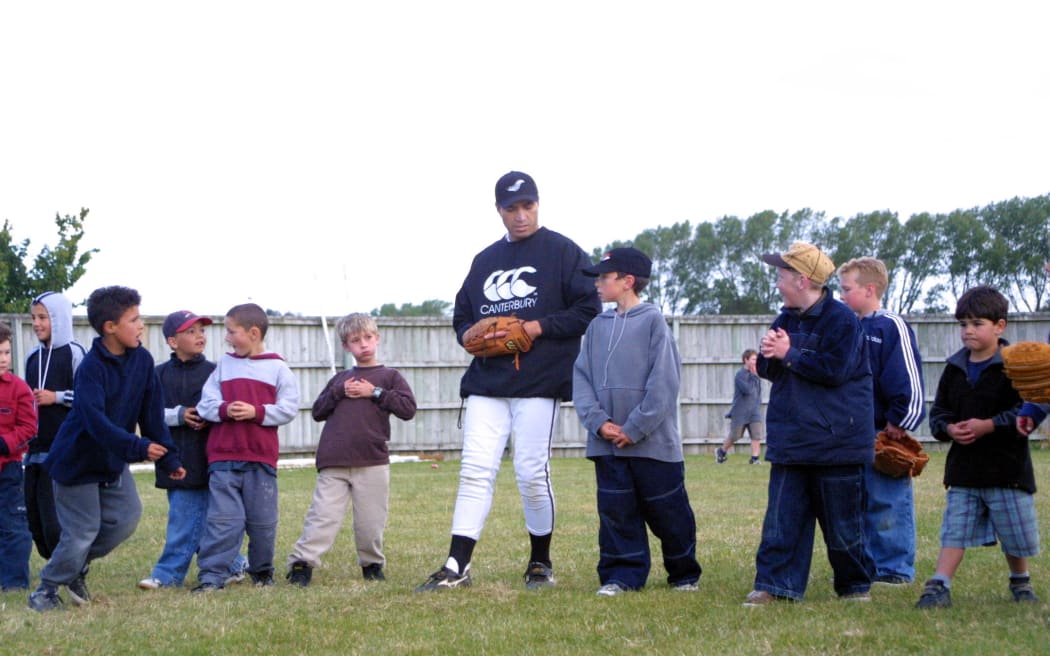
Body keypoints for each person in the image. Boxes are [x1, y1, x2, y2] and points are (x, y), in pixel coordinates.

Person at [415, 171, 601, 592]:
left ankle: (540, 561)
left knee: (531, 472)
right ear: (498, 210)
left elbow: (588, 308)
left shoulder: (563, 252)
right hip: (488, 382)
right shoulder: (484, 260)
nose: (521, 215)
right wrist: (465, 334)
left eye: (528, 206)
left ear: (538, 204)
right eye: (511, 208)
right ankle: (456, 565)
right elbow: (462, 315)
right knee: (475, 471)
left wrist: (537, 327)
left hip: (540, 382)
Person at [28, 286, 186, 612]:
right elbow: (94, 422)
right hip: (76, 463)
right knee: (82, 531)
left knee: (126, 519)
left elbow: (152, 416)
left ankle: (73, 568)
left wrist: (169, 457)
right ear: (110, 327)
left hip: (112, 460)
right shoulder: (90, 368)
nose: (141, 325)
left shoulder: (142, 361)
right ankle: (45, 589)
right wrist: (138, 446)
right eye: (134, 319)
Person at [744, 242, 875, 606]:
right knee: (781, 522)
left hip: (838, 442)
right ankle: (775, 585)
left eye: (781, 276)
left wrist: (791, 353)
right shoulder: (784, 319)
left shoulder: (842, 320)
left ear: (802, 280)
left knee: (844, 525)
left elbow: (835, 371)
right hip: (792, 440)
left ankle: (854, 588)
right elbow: (774, 371)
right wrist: (769, 357)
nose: (777, 283)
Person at [573, 247, 702, 596]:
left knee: (668, 512)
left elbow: (664, 383)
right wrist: (599, 423)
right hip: (607, 445)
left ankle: (683, 573)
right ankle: (622, 576)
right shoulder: (596, 327)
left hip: (652, 445)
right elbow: (581, 379)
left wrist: (634, 428)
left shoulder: (653, 321)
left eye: (604, 277)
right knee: (616, 513)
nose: (597, 284)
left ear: (627, 281)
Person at [916, 285, 1039, 609]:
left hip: (1007, 471)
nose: (968, 330)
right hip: (965, 472)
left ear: (1000, 326)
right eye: (963, 324)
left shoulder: (1017, 367)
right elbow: (939, 412)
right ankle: (939, 585)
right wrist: (949, 429)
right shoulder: (954, 368)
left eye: (977, 323)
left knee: (1015, 534)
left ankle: (1020, 580)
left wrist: (989, 425)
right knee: (954, 529)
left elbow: (1026, 411)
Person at [287, 313, 417, 586]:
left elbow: (408, 409)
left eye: (368, 338)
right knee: (322, 516)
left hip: (372, 461)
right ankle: (302, 565)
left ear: (377, 339)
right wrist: (339, 392)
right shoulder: (340, 380)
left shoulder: (390, 377)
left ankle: (372, 565)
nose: (364, 345)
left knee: (370, 521)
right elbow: (318, 412)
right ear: (346, 347)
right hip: (333, 461)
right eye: (355, 341)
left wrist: (376, 393)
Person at [192, 303, 300, 593]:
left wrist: (257, 412)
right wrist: (227, 410)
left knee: (262, 523)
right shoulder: (224, 367)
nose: (227, 338)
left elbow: (289, 408)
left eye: (231, 332)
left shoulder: (278, 368)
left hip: (261, 461)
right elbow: (206, 404)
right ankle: (212, 577)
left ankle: (262, 572)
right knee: (223, 522)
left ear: (253, 333)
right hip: (223, 460)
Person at [139, 310, 248, 590]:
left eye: (201, 330)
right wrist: (178, 415)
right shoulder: (157, 375)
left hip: (208, 456)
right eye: (191, 331)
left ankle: (167, 575)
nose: (200, 336)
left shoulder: (216, 371)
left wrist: (210, 416)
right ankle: (235, 564)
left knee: (187, 519)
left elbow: (227, 408)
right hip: (173, 456)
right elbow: (146, 414)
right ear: (172, 341)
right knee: (188, 517)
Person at [838, 257, 926, 585]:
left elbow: (908, 379)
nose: (842, 295)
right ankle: (868, 565)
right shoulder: (849, 327)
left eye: (847, 289)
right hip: (852, 433)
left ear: (869, 289)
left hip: (884, 432)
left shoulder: (891, 326)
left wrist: (900, 422)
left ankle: (894, 569)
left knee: (887, 500)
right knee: (857, 504)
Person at [25, 291, 86, 560]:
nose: (37, 323)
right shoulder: (31, 357)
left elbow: (90, 399)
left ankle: (70, 569)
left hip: (63, 450)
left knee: (54, 521)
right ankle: (55, 567)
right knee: (34, 520)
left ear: (59, 319)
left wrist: (56, 397)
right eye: (34, 318)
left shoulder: (75, 353)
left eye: (43, 317)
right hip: (35, 450)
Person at [0, 322, 36, 590]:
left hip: (9, 469)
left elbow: (29, 428)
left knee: (13, 526)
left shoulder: (18, 388)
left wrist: (5, 443)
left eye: (6, 352)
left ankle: (13, 584)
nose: (3, 359)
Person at [717, 350, 764, 465]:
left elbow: (757, 392)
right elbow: (747, 390)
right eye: (753, 359)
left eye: (756, 360)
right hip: (740, 411)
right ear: (746, 360)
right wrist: (753, 375)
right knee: (735, 436)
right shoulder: (740, 375)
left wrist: (758, 404)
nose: (755, 362)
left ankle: (755, 459)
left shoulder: (756, 374)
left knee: (756, 434)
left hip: (754, 410)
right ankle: (721, 451)